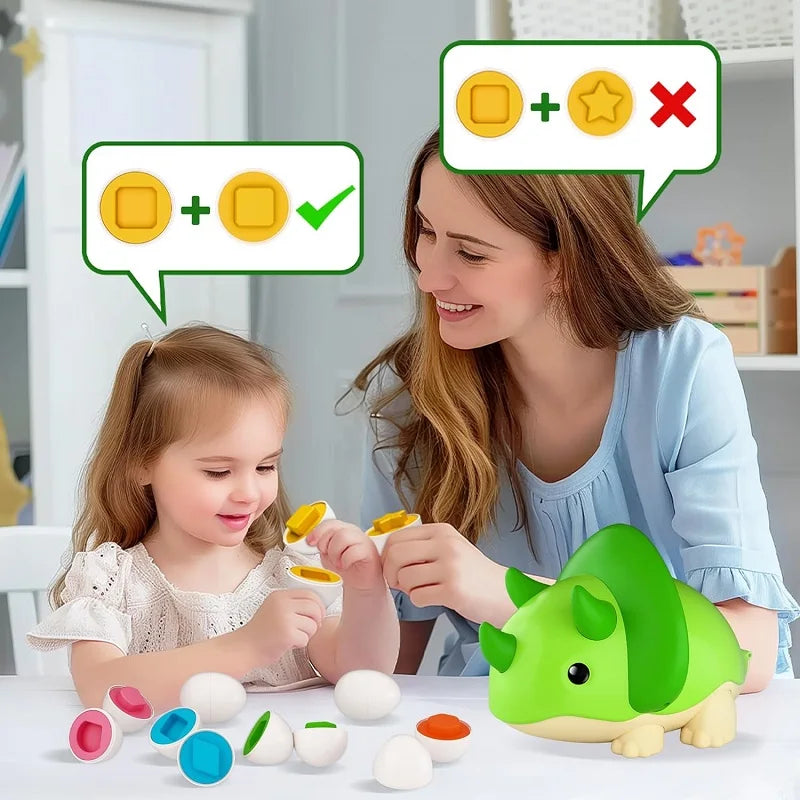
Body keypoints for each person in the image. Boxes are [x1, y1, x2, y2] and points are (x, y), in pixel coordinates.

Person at [351, 127, 800, 692]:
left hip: (669, 724)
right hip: (491, 724)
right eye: (425, 231)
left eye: (471, 252)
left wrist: (509, 594)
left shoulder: (681, 366)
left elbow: (750, 649)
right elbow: (383, 672)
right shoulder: (412, 393)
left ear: (565, 262)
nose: (429, 275)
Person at [27, 324, 399, 712]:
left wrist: (366, 590)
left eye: (266, 466)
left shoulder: (290, 576)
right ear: (141, 464)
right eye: (218, 472)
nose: (249, 493)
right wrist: (245, 645)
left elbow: (362, 673)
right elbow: (99, 687)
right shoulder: (113, 580)